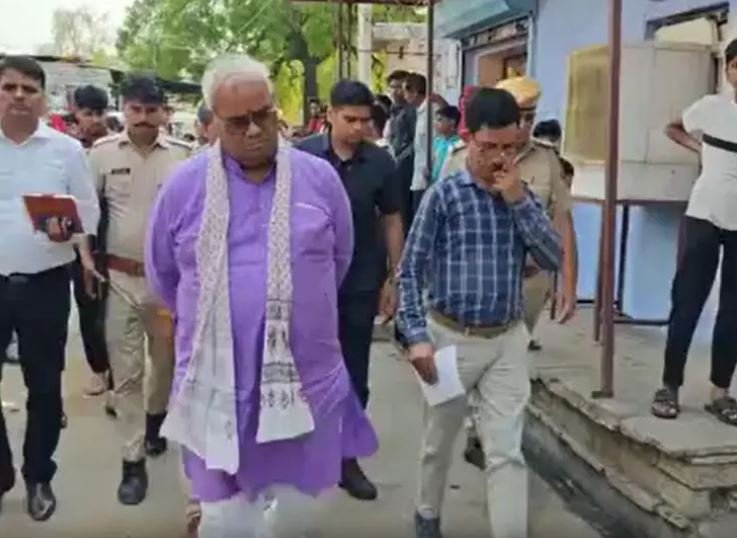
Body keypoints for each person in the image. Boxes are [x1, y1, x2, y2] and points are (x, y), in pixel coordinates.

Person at [145, 54, 378, 537]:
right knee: (225, 520)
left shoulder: (319, 179)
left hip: (305, 382)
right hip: (216, 388)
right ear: (213, 123)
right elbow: (164, 275)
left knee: (299, 514)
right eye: (238, 122)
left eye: (262, 115)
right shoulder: (184, 187)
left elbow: (339, 261)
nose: (253, 130)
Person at [398, 87, 562, 538]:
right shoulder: (444, 197)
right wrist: (416, 337)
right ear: (469, 139)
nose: (499, 158)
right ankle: (427, 515)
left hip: (507, 340)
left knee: (506, 451)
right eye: (489, 147)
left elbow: (552, 256)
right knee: (439, 442)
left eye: (509, 147)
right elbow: (409, 270)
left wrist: (518, 201)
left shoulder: (521, 196)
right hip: (449, 340)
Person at [0, 56, 100, 521]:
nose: (19, 96)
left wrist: (71, 231)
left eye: (29, 89)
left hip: (44, 285)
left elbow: (89, 214)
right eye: (9, 87)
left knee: (43, 387)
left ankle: (39, 475)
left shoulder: (66, 150)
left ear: (43, 98)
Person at [86, 74, 191, 506]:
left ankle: (155, 420)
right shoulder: (101, 154)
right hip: (119, 279)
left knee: (165, 363)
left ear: (164, 112)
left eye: (151, 110)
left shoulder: (183, 157)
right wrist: (85, 260)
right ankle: (132, 463)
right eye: (135, 109)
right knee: (126, 371)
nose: (144, 118)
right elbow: (86, 214)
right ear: (124, 110)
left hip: (168, 283)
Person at [297, 79, 403, 502]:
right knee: (303, 370)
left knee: (354, 374)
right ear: (330, 114)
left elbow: (391, 218)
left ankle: (346, 457)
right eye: (351, 119)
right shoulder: (301, 157)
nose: (359, 128)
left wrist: (394, 277)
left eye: (365, 120)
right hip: (307, 284)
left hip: (360, 282)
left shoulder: (381, 163)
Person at [651, 39, 737, 426]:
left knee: (734, 310)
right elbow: (673, 127)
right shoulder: (711, 107)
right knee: (688, 301)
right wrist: (700, 150)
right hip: (704, 214)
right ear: (729, 70)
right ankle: (669, 385)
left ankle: (720, 392)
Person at [69, 85, 113, 398]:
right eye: (88, 113)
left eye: (100, 113)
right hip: (80, 243)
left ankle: (118, 371)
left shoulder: (116, 148)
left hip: (114, 243)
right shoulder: (69, 150)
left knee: (114, 312)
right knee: (89, 309)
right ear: (76, 114)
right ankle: (99, 370)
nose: (95, 120)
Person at [430, 105, 461, 185]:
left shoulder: (458, 145)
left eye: (439, 120)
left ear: (452, 122)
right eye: (435, 120)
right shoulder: (438, 141)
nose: (435, 123)